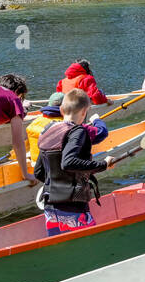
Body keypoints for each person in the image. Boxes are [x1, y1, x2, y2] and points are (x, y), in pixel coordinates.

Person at [33, 88, 109, 236]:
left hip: (50, 206)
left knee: (61, 248)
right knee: (89, 243)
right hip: (73, 205)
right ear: (85, 111)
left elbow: (39, 172)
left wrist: (56, 184)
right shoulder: (78, 131)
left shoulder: (48, 130)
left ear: (61, 110)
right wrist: (103, 165)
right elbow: (68, 162)